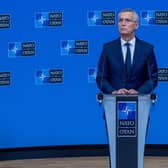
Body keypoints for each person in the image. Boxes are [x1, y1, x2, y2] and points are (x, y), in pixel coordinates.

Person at [96, 8, 158, 95]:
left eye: (127, 20)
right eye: (120, 20)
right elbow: (101, 78)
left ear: (136, 25)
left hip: (140, 102)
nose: (123, 24)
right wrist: (113, 92)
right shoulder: (108, 49)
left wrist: (139, 92)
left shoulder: (147, 49)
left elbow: (152, 78)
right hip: (113, 103)